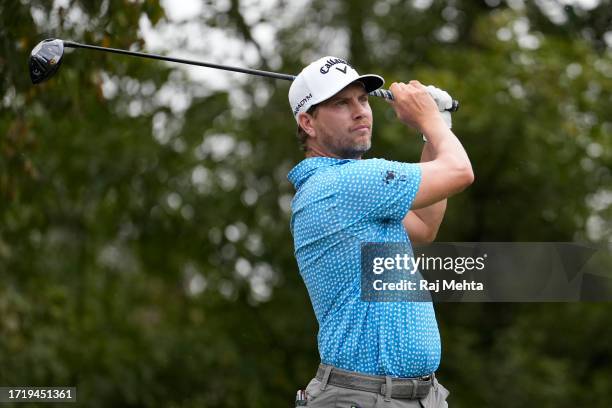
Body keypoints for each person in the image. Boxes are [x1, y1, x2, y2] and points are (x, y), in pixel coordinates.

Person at [287, 56, 473, 408]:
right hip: (365, 398)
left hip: (416, 397)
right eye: (341, 103)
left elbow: (424, 226)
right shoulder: (345, 183)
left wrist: (435, 129)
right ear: (307, 122)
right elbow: (460, 172)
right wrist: (431, 120)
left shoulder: (344, 190)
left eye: (362, 99)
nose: (360, 111)